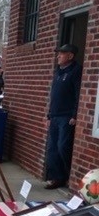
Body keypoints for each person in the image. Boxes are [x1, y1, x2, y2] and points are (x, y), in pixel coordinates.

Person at [44, 43, 82, 189]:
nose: (58, 56)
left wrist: (75, 115)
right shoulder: (58, 72)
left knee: (62, 146)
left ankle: (66, 175)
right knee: (52, 148)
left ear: (70, 56)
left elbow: (78, 94)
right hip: (54, 116)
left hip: (66, 117)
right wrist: (49, 116)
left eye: (61, 53)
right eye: (58, 53)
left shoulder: (76, 71)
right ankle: (56, 178)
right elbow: (54, 96)